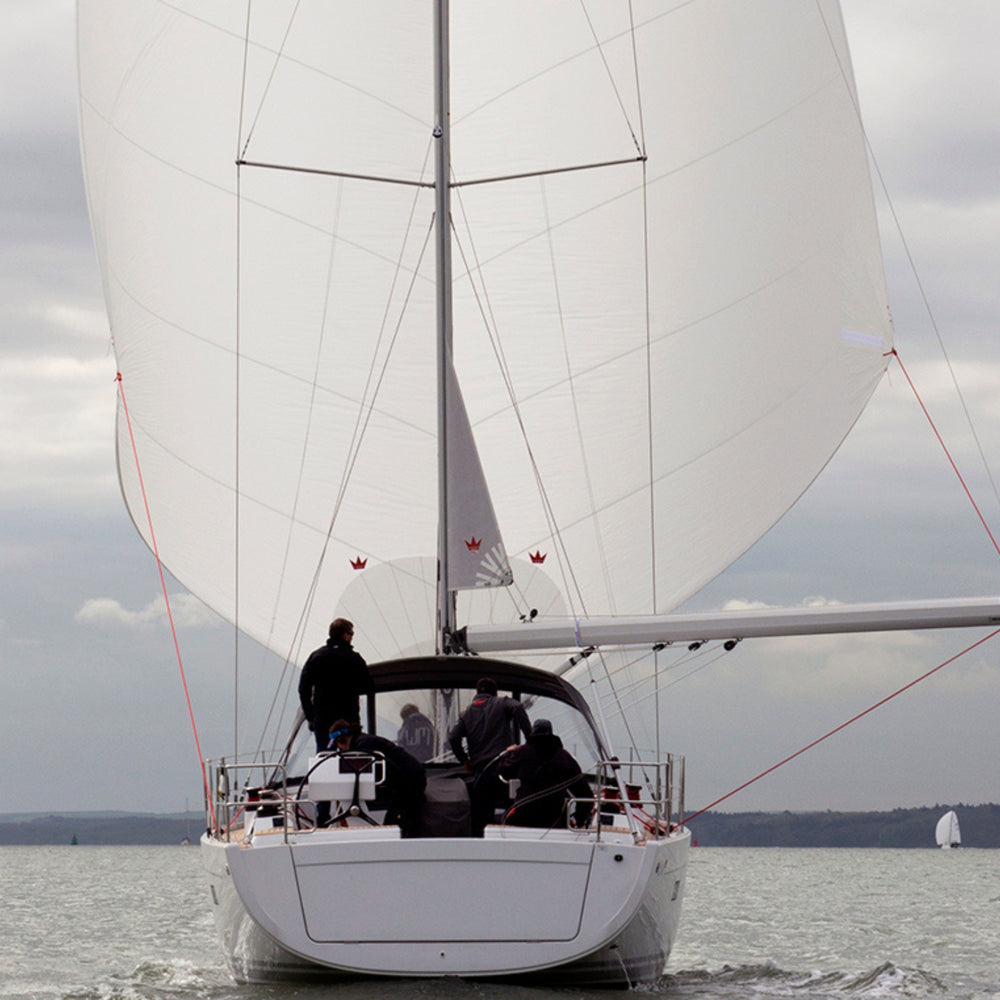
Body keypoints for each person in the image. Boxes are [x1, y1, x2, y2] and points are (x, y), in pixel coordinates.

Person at [298, 618, 373, 827]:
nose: (352, 638)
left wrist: (311, 716)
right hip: (349, 725)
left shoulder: (316, 657)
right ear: (345, 635)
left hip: (323, 725)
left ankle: (322, 816)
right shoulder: (354, 659)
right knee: (351, 765)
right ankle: (353, 813)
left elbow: (303, 689)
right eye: (351, 634)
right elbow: (368, 685)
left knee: (324, 764)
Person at [447, 677, 531, 836]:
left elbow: (453, 737)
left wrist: (464, 760)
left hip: (481, 771)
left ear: (477, 693)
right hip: (504, 770)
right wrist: (529, 738)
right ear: (495, 692)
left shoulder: (466, 713)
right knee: (511, 811)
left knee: (482, 818)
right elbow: (518, 707)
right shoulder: (502, 703)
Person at [328, 721, 426, 838]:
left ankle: (402, 844)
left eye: (338, 745)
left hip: (409, 781)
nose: (339, 749)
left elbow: (365, 772)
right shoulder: (363, 741)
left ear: (341, 740)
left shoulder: (362, 746)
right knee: (396, 819)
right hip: (407, 779)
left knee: (401, 819)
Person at [498, 719, 593, 829]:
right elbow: (585, 794)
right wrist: (579, 820)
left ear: (532, 733)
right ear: (552, 734)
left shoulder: (522, 753)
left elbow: (504, 771)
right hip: (555, 819)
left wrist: (508, 753)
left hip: (523, 817)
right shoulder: (564, 757)